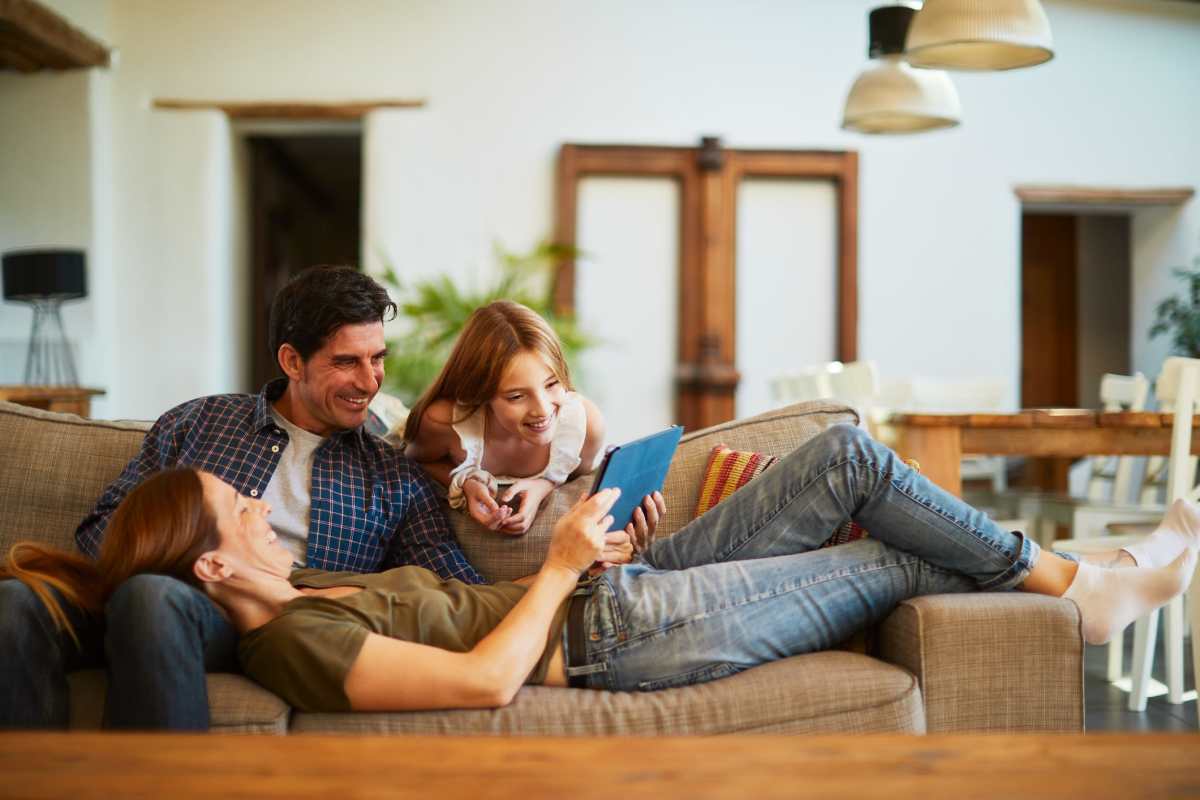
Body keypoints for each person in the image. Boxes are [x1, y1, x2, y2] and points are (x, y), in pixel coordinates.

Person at [6, 425, 1195, 713]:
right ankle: (1088, 590)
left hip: (610, 586)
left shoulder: (310, 585)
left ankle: (1078, 580)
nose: (266, 510)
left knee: (843, 457)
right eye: (242, 509)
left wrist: (590, 538)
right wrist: (561, 566)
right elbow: (484, 682)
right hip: (611, 635)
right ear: (213, 563)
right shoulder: (293, 641)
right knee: (887, 557)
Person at [0, 266, 636, 730]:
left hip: (263, 624)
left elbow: (459, 593)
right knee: (17, 602)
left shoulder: (391, 474)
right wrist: (199, 561)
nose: (370, 381)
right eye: (346, 363)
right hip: (163, 589)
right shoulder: (200, 423)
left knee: (151, 598)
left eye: (377, 359)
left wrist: (579, 553)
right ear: (292, 361)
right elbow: (102, 528)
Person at [403, 300, 608, 536]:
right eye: (516, 396)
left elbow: (577, 485)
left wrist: (546, 485)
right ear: (481, 394)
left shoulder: (584, 427)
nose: (542, 409)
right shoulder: (445, 423)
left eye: (552, 384)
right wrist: (464, 483)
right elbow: (413, 463)